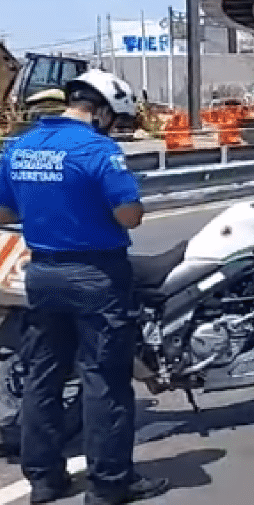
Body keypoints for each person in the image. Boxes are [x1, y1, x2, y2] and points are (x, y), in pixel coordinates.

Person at [0, 70, 169, 505]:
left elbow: (3, 212)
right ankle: (110, 483)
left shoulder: (19, 147)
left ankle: (44, 479)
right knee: (104, 381)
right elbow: (129, 216)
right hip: (96, 275)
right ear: (101, 111)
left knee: (44, 375)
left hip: (42, 275)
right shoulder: (98, 150)